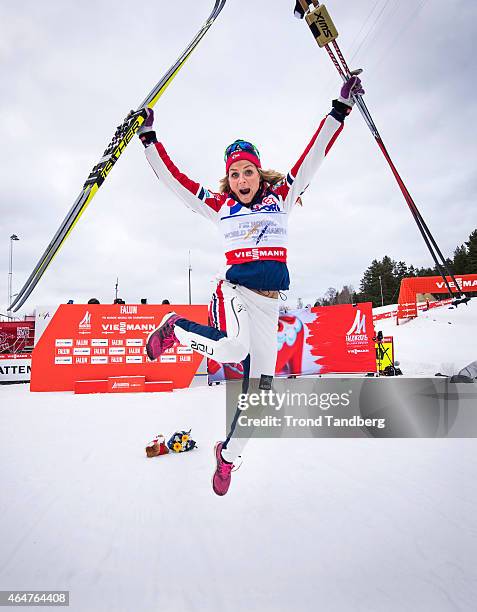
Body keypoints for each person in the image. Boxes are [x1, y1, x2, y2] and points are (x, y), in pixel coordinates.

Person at [138, 75, 364, 496]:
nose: (242, 180)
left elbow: (315, 154)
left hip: (268, 307)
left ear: (259, 173)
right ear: (229, 179)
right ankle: (174, 327)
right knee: (231, 349)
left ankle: (226, 457)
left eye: (248, 171)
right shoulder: (218, 205)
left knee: (261, 399)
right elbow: (175, 181)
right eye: (235, 174)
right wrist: (150, 139)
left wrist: (340, 110)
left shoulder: (282, 194)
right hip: (234, 293)